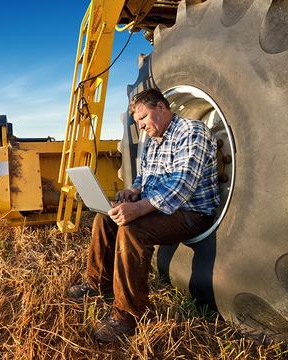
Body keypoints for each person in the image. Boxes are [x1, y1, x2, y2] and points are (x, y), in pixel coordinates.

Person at [66, 88, 220, 342]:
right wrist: (133, 191)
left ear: (161, 107)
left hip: (191, 212)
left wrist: (138, 209)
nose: (140, 125)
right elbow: (144, 175)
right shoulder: (153, 139)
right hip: (160, 208)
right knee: (105, 218)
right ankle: (97, 285)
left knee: (132, 229)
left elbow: (182, 185)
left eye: (143, 117)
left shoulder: (192, 132)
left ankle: (128, 315)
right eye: (137, 121)